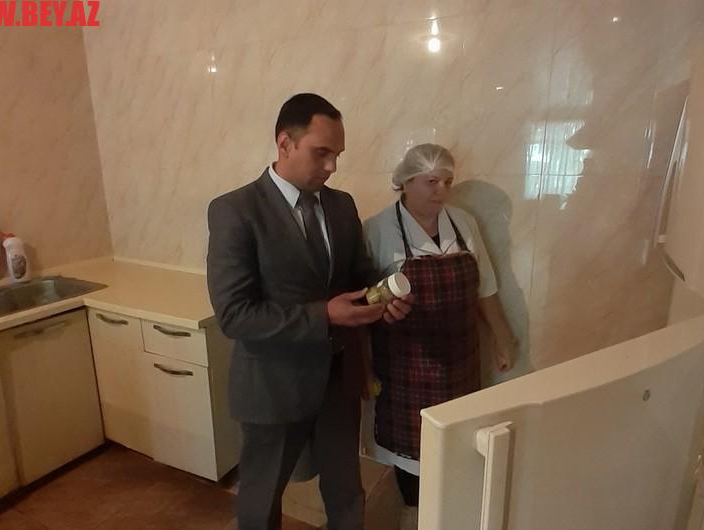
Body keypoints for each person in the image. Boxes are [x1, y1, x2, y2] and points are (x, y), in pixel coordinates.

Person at [206, 93, 412, 530]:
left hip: (337, 380)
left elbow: (358, 275)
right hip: (272, 384)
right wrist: (326, 316)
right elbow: (235, 315)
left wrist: (385, 295)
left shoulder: (341, 205)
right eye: (322, 153)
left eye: (337, 154)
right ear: (285, 143)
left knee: (346, 491)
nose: (332, 166)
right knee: (261, 499)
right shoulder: (235, 211)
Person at [363, 143, 519, 529]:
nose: (441, 191)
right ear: (405, 182)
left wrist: (503, 337)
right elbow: (365, 301)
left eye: (447, 182)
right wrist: (363, 364)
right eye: (431, 182)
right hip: (405, 364)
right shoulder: (378, 229)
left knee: (457, 444)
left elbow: (486, 287)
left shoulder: (463, 223)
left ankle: (447, 515)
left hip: (460, 359)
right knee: (411, 450)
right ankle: (413, 514)